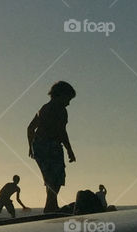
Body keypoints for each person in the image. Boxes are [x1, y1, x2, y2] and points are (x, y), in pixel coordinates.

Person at [28, 81, 77, 213]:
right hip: (50, 146)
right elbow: (62, 132)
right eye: (68, 99)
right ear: (60, 95)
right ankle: (51, 206)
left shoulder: (43, 109)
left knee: (51, 178)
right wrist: (69, 150)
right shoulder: (60, 110)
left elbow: (30, 128)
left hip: (39, 145)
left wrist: (31, 147)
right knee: (56, 177)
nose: (68, 103)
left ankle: (51, 205)